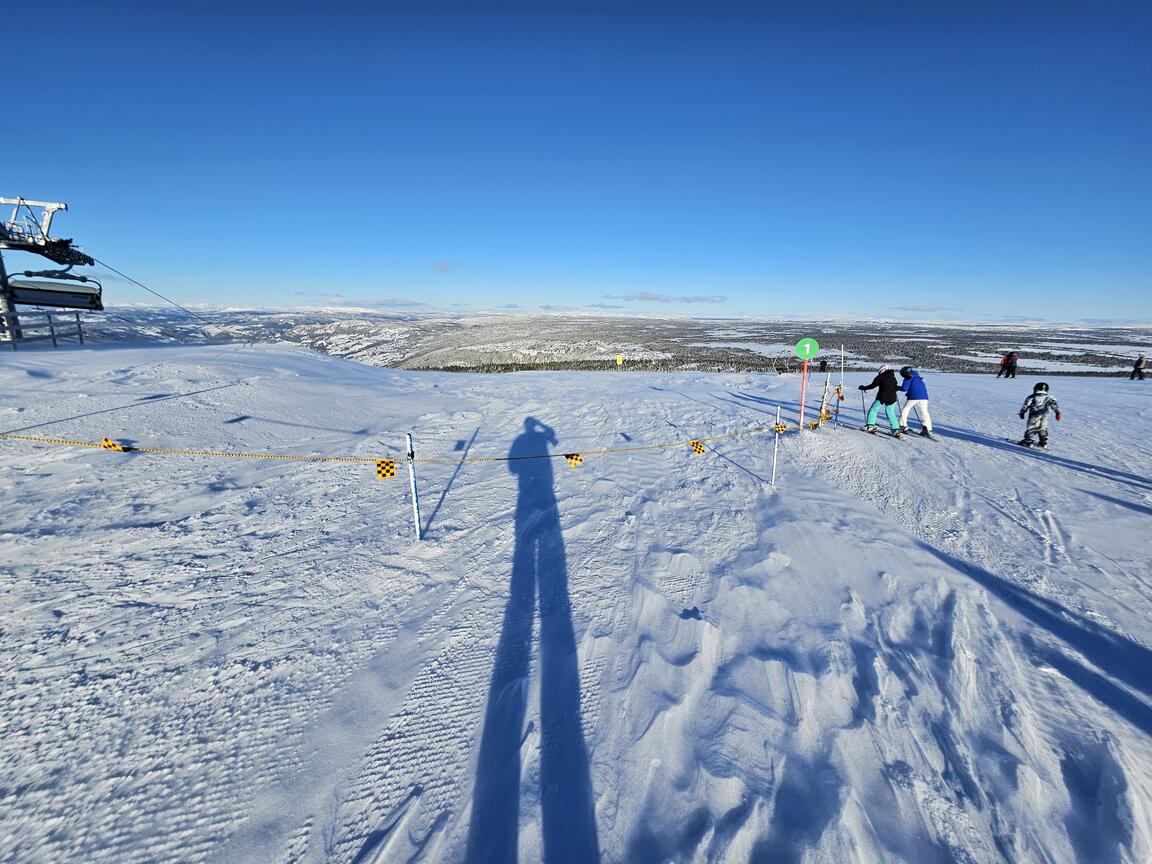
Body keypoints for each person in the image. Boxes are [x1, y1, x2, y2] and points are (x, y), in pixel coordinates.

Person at [859, 365, 902, 436]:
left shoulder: (881, 376)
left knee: (873, 410)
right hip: (892, 398)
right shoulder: (893, 378)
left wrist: (864, 387)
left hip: (882, 397)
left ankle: (870, 426)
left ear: (882, 370)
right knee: (891, 413)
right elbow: (895, 387)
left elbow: (873, 385)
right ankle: (896, 430)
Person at [1018, 382, 1061, 448]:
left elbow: (1025, 406)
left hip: (1034, 416)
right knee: (1043, 428)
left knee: (1032, 427)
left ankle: (1028, 441)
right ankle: (1043, 441)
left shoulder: (1032, 397)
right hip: (1044, 416)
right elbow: (1054, 405)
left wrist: (1022, 412)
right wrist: (1057, 412)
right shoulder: (1049, 397)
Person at [897, 366, 933, 437]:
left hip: (914, 396)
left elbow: (904, 388)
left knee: (905, 410)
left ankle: (902, 426)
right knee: (924, 412)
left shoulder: (908, 377)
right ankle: (927, 429)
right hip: (924, 397)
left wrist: (896, 387)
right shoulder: (917, 377)